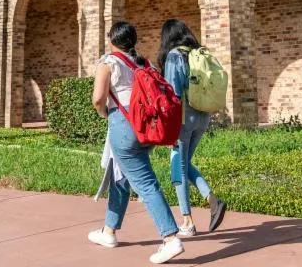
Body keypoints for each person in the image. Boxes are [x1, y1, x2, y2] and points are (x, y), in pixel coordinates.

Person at [89, 21, 184, 264]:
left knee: (145, 183)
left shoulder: (108, 63)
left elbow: (98, 98)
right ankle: (109, 231)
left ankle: (170, 238)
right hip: (146, 127)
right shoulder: (143, 62)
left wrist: (104, 113)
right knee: (121, 177)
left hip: (124, 127)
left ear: (112, 39)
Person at [158, 19, 227, 237]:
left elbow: (173, 93)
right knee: (184, 164)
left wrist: (168, 126)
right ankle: (212, 201)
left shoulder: (174, 56)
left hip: (183, 119)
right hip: (203, 116)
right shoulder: (197, 53)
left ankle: (187, 221)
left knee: (177, 167)